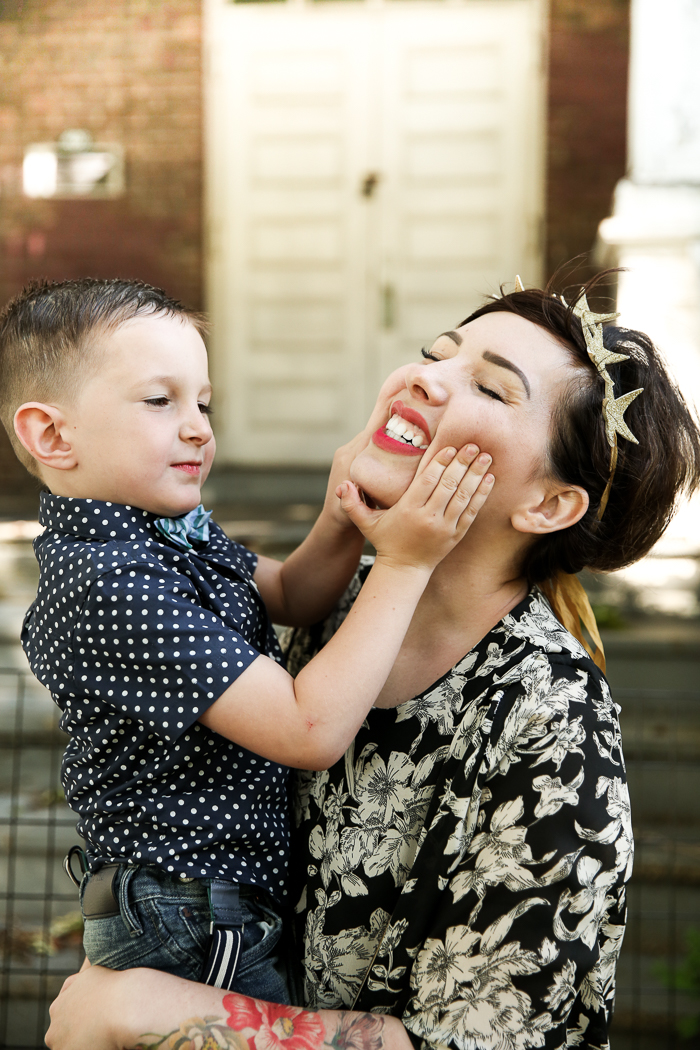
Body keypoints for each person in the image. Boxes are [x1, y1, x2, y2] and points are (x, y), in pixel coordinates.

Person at [44, 274, 700, 1050]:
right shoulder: (350, 605)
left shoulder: (552, 726)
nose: (424, 375)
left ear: (549, 506)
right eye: (437, 353)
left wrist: (146, 1015)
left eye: (489, 387)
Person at [0, 278, 493, 1003]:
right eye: (159, 402)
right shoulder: (107, 582)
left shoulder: (166, 534)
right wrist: (407, 562)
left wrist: (340, 514)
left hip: (216, 906)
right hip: (187, 913)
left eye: (202, 402)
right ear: (52, 435)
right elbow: (308, 728)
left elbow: (295, 595)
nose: (199, 427)